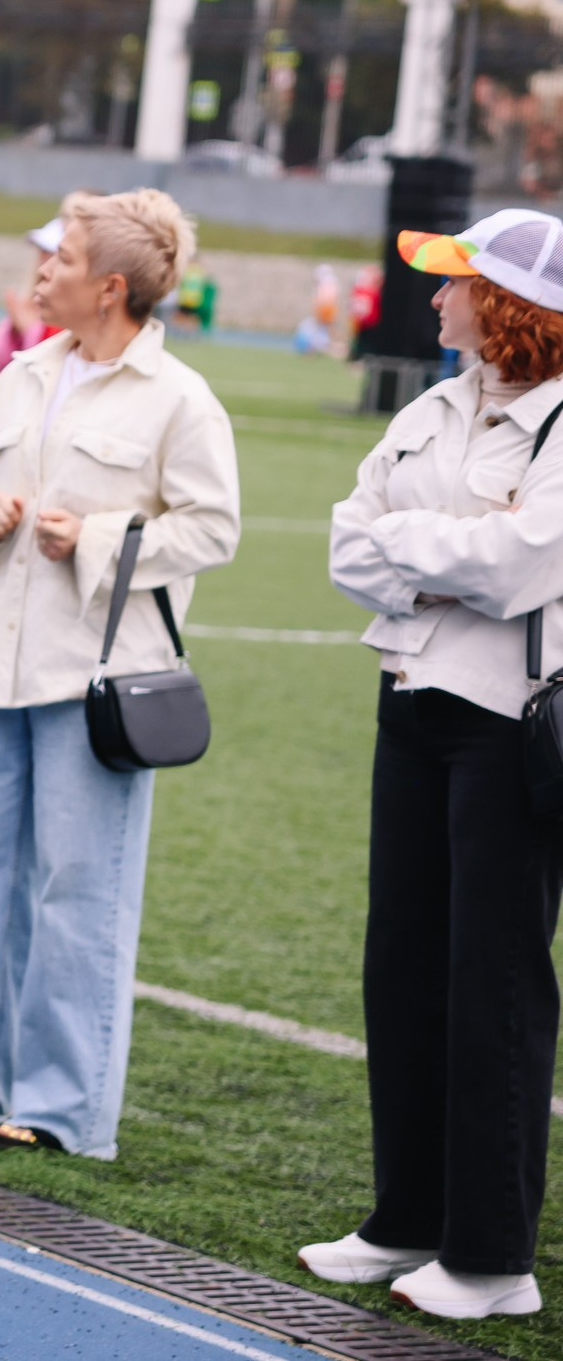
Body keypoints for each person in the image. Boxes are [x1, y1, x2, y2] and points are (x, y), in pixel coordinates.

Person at [0, 187, 239, 1158]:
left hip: (97, 683)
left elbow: (212, 528)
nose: (41, 269)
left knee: (79, 891)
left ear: (109, 286)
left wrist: (99, 537)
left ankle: (60, 1107)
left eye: (59, 256)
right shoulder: (20, 375)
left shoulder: (178, 400)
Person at [309, 210, 563, 1320]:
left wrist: (414, 548)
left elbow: (518, 568)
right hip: (410, 695)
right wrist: (440, 550)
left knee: (493, 981)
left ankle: (492, 1258)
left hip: (507, 721)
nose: (433, 297)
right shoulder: (432, 405)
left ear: (509, 303)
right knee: (400, 966)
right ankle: (405, 1217)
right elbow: (343, 543)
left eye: (453, 280)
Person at [0, 212, 65, 377]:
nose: (43, 262)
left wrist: (30, 331)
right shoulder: (31, 302)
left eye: (50, 252)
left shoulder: (72, 314)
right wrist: (15, 331)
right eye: (42, 251)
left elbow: (53, 372)